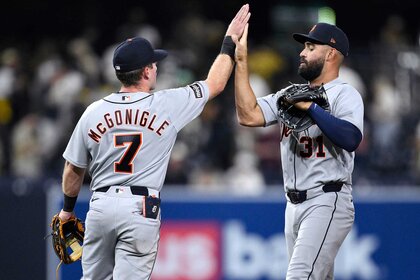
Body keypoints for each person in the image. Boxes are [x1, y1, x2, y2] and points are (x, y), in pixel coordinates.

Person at [56, 4, 250, 279]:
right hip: (140, 208)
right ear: (146, 72)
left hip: (100, 204)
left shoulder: (94, 111)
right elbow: (215, 83)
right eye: (153, 64)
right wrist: (229, 41)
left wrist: (66, 211)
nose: (156, 68)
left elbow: (72, 168)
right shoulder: (166, 104)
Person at [233, 22, 364, 279]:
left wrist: (313, 110)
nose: (302, 52)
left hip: (327, 199)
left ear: (330, 54)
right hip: (293, 206)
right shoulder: (290, 95)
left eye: (311, 47)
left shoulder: (345, 94)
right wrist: (241, 60)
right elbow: (248, 115)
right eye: (304, 46)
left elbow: (351, 138)